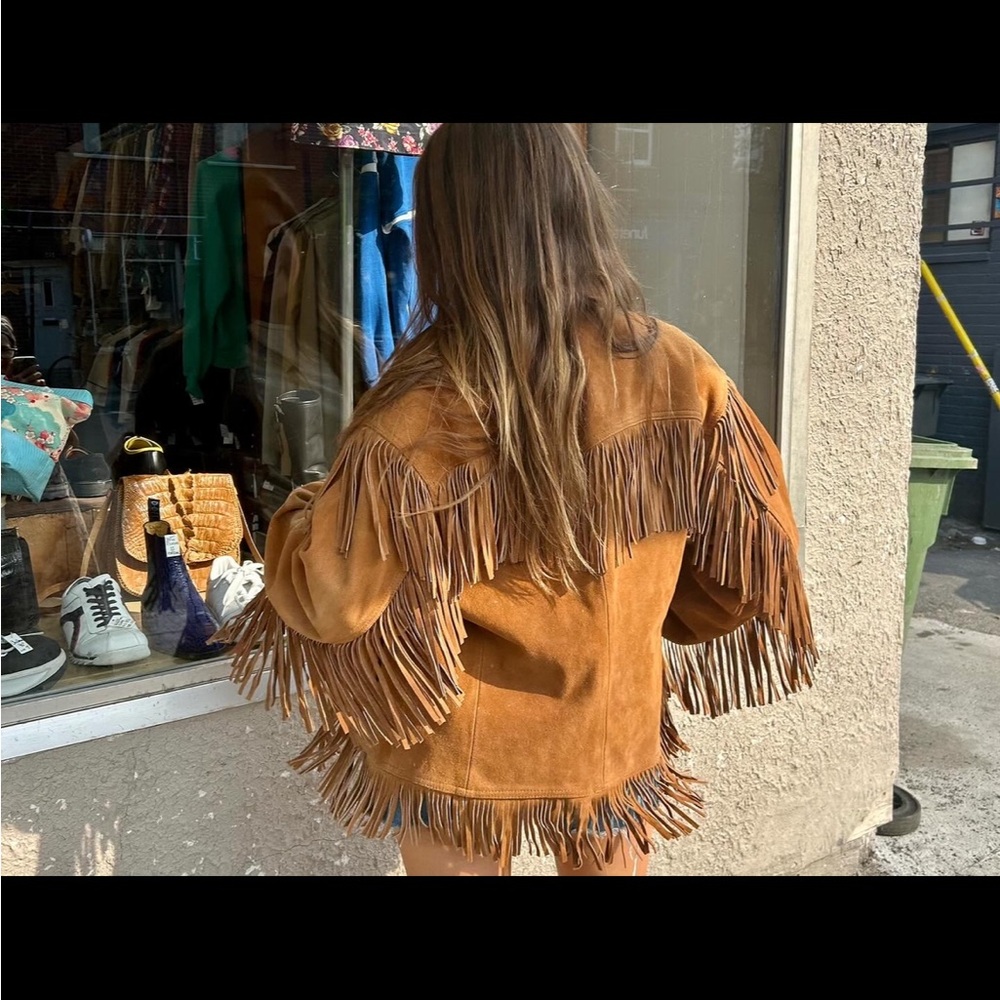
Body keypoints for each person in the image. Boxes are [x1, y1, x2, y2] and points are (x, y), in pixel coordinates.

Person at [222, 123, 818, 877]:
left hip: (460, 756)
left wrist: (308, 509)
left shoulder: (419, 409)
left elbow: (336, 600)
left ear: (445, 229)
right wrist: (642, 620)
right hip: (612, 729)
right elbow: (746, 563)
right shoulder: (681, 372)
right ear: (579, 205)